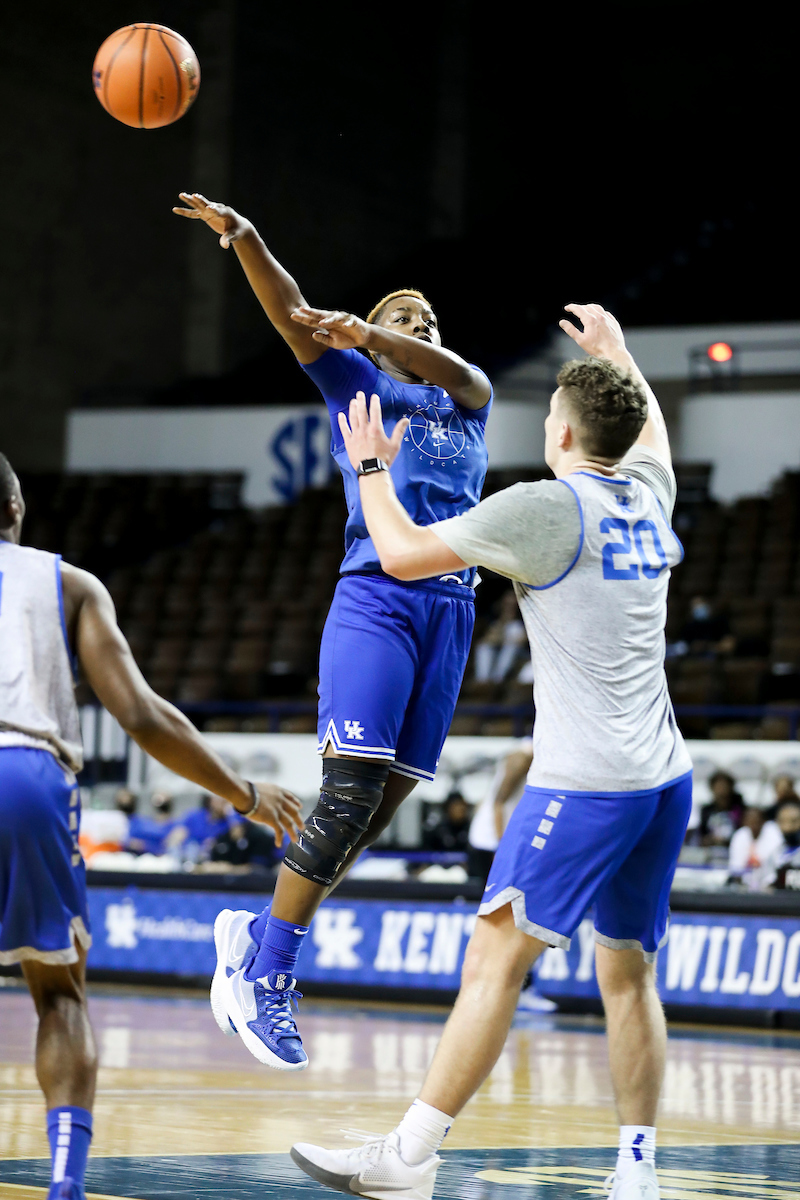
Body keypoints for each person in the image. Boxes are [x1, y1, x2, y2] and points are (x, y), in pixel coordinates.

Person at [289, 303, 692, 1200]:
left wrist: (368, 469)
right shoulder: (651, 491)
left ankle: (411, 1156)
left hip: (586, 783)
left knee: (493, 963)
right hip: (665, 776)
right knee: (627, 973)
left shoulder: (544, 508)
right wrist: (620, 357)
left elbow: (397, 556)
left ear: (561, 431)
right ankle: (638, 1172)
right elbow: (650, 432)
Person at [173, 193, 493, 1070]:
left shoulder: (468, 400)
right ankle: (266, 973)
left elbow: (458, 368)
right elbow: (291, 314)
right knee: (346, 796)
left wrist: (385, 331)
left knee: (366, 819)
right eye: (401, 315)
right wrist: (248, 239)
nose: (414, 324)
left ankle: (255, 932)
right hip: (378, 598)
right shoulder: (361, 382)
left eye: (424, 320)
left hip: (453, 610)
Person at [0, 454, 303, 1200]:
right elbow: (140, 714)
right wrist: (243, 794)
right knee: (59, 996)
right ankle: (66, 1182)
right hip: (23, 773)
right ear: (15, 507)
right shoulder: (64, 582)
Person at [697, 770, 744, 849]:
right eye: (718, 787)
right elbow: (702, 835)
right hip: (711, 851)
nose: (721, 791)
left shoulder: (739, 809)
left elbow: (742, 835)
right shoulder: (706, 810)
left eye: (724, 787)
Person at [126, 791, 176, 856]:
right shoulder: (140, 822)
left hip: (162, 859)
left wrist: (147, 846)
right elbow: (129, 841)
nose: (160, 798)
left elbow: (168, 845)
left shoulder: (175, 825)